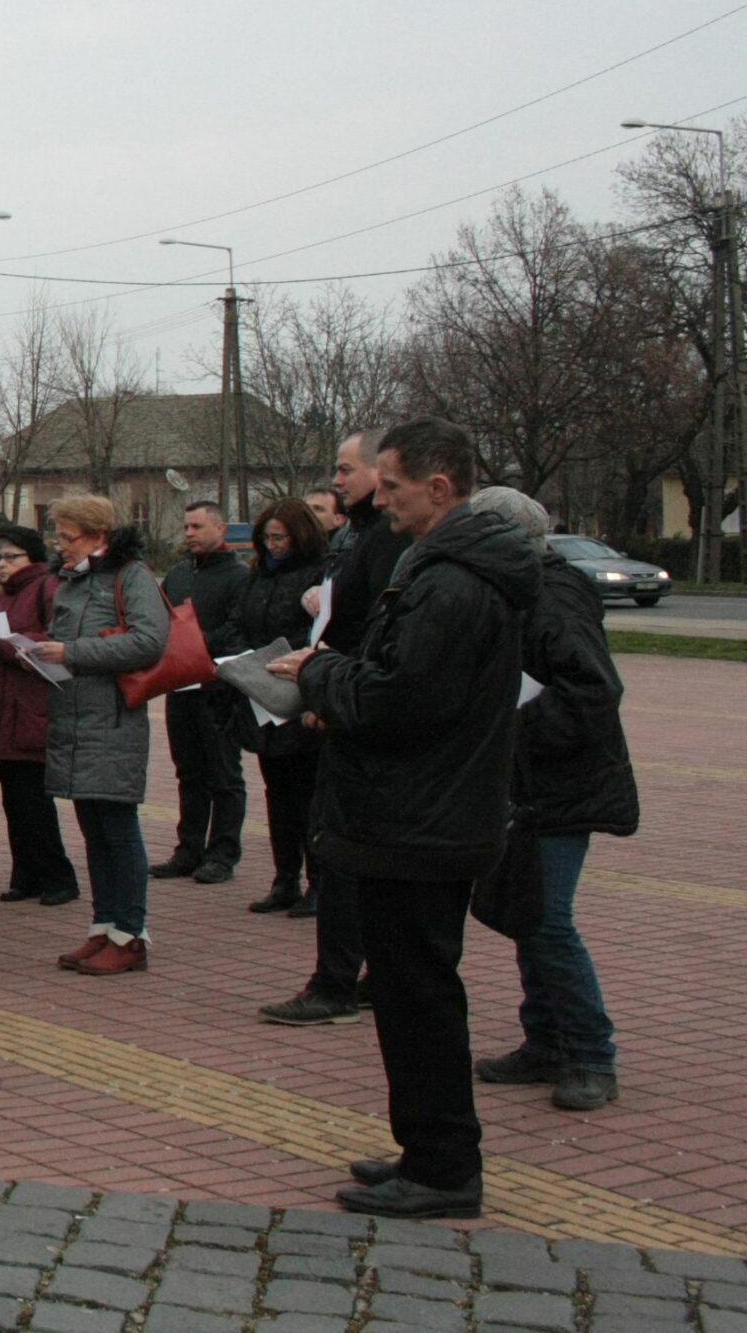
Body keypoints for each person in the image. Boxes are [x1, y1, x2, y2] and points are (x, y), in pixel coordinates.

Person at [271, 416, 538, 1219]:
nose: (375, 499)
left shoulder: (456, 583)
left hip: (422, 819)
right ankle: (427, 1146)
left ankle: (446, 1166)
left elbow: (398, 698)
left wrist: (321, 676)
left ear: (439, 486)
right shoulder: (442, 568)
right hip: (417, 813)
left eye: (389, 486)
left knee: (420, 996)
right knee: (410, 992)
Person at [469, 486, 638, 1114]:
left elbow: (594, 693)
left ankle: (592, 1055)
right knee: (527, 913)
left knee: (547, 921)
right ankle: (544, 1040)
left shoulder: (555, 599)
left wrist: (507, 725)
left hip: (564, 786)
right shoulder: (523, 591)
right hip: (533, 784)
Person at [261, 428, 405, 1026]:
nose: (337, 481)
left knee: (344, 854)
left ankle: (338, 982)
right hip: (338, 700)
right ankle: (367, 973)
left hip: (357, 713)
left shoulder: (387, 543)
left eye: (347, 470)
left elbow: (377, 636)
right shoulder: (362, 537)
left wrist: (329, 683)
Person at [31, 494, 168, 977]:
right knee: (94, 829)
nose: (59, 545)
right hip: (76, 718)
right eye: (59, 535)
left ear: (98, 535)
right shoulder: (71, 579)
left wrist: (72, 651)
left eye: (68, 536)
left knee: (117, 829)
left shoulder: (131, 575)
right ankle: (104, 926)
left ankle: (130, 935)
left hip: (111, 720)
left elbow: (150, 641)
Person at [235, 498, 331, 915]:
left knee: (309, 796)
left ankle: (319, 882)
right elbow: (240, 623)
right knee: (277, 795)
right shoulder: (257, 577)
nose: (273, 546)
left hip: (300, 694)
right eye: (268, 538)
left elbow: (320, 633)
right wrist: (243, 656)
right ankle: (284, 879)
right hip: (263, 695)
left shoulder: (317, 576)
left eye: (281, 538)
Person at [0, 527, 79, 907]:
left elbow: (58, 640)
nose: (2, 564)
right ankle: (26, 875)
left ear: (32, 558)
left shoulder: (48, 588)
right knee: (14, 799)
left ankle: (58, 877)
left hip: (33, 708)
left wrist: (7, 645)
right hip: (2, 708)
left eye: (11, 556)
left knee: (34, 799)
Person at [151, 501, 249, 885]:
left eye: (197, 526)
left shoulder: (239, 577)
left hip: (219, 689)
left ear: (220, 529)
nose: (189, 533)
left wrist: (196, 644)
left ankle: (223, 853)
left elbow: (238, 628)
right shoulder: (177, 575)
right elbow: (159, 620)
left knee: (224, 774)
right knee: (188, 773)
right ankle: (188, 849)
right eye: (186, 526)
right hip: (181, 688)